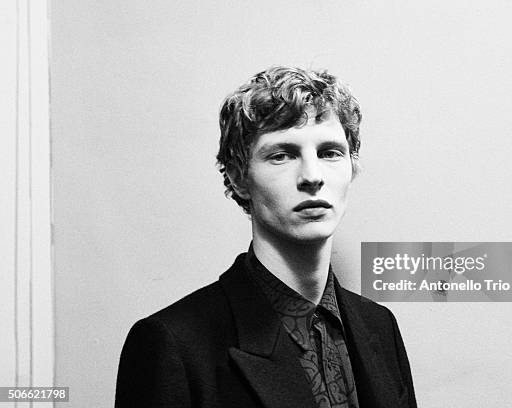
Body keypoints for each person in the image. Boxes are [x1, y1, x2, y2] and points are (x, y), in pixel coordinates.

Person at [115, 66, 417, 408]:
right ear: (239, 177)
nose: (312, 176)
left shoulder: (379, 326)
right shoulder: (173, 344)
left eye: (330, 152)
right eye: (282, 155)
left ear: (352, 166)